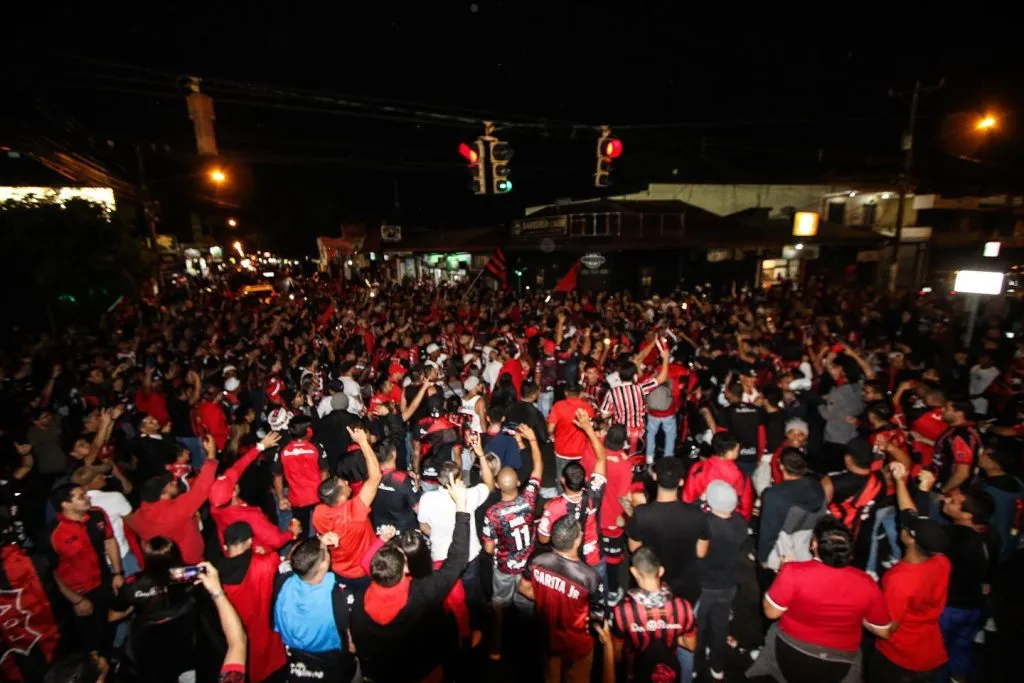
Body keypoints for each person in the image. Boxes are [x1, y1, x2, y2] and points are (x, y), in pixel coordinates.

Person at [350, 475, 471, 683]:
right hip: (422, 672)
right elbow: (457, 560)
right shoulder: (423, 592)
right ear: (405, 567)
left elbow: (356, 646)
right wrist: (461, 506)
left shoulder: (359, 603)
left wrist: (381, 540)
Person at [750, 518, 891, 683]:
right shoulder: (866, 583)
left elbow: (771, 612)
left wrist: (780, 574)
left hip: (791, 649)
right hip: (840, 661)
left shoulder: (793, 572)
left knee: (774, 630)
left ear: (814, 544)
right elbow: (883, 631)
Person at [869, 462, 952, 683]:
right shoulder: (941, 560)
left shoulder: (900, 580)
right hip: (929, 649)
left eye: (907, 528)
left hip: (901, 660)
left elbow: (887, 630)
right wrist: (900, 481)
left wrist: (859, 614)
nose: (903, 526)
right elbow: (911, 515)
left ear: (911, 539)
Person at [481, 422, 543, 659]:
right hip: (527, 565)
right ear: (518, 483)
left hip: (505, 567)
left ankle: (496, 649)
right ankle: (529, 648)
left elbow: (488, 548)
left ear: (497, 485)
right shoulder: (529, 499)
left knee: (499, 606)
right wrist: (532, 441)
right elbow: (538, 468)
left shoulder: (493, 513)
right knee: (527, 606)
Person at [519, 515, 605, 683]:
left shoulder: (537, 561)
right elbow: (597, 616)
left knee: (551, 675)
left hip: (548, 636)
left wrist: (549, 598)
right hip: (577, 644)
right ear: (577, 541)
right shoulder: (589, 577)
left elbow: (523, 588)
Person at [50, 484, 123, 653]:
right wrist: (76, 600)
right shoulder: (54, 533)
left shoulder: (97, 514)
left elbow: (109, 541)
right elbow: (53, 572)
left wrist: (117, 573)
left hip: (104, 581)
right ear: (65, 504)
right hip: (80, 592)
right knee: (90, 639)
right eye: (81, 496)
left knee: (109, 628)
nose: (88, 498)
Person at [272, 534, 356, 681]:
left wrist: (318, 544)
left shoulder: (282, 580)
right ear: (323, 565)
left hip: (294, 658)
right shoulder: (340, 597)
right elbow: (351, 644)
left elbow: (289, 561)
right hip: (330, 662)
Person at [417, 445, 494, 602]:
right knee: (471, 596)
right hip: (468, 556)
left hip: (441, 557)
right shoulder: (469, 495)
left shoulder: (426, 499)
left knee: (449, 600)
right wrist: (480, 455)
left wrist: (438, 532)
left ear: (439, 479)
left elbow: (423, 527)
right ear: (459, 479)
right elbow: (489, 484)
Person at [626, 456, 705, 609]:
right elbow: (701, 552)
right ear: (681, 482)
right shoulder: (696, 514)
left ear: (655, 477)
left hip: (653, 585)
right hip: (685, 587)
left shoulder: (642, 514)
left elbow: (634, 549)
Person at [538, 411, 608, 580]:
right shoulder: (594, 493)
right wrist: (588, 429)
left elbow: (543, 539)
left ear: (563, 481)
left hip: (568, 564)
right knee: (598, 591)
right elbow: (601, 459)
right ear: (586, 479)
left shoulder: (554, 507)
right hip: (594, 557)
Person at [128, 435, 218, 565]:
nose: (175, 482)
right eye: (170, 483)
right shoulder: (176, 510)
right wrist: (211, 456)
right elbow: (202, 488)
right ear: (162, 494)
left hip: (164, 564)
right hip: (190, 562)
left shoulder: (139, 516)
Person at [610, 547, 696, 683]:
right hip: (669, 672)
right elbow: (691, 645)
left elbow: (616, 653)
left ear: (634, 572)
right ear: (661, 571)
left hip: (638, 672)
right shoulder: (683, 607)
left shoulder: (622, 611)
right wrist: (669, 632)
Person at [312, 425, 382, 591]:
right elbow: (375, 477)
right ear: (340, 496)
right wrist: (363, 443)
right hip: (363, 570)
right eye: (343, 483)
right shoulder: (355, 511)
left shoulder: (318, 513)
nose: (346, 481)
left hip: (339, 570)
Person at [939, 484, 996, 683]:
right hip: (975, 606)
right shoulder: (990, 535)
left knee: (938, 655)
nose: (946, 500)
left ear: (967, 515)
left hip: (949, 608)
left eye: (953, 501)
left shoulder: (954, 538)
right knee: (962, 650)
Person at [217, 522, 287, 683]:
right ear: (249, 541)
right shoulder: (266, 562)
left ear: (225, 546)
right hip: (267, 639)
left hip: (236, 645)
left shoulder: (215, 576)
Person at [209, 432, 298, 553]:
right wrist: (291, 532)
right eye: (233, 482)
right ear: (234, 492)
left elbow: (237, 468)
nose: (235, 479)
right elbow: (276, 540)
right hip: (259, 555)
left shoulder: (216, 506)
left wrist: (260, 447)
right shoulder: (251, 516)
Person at [695, 480, 747, 681]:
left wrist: (700, 501)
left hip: (704, 585)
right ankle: (717, 666)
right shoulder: (740, 522)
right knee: (721, 624)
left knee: (697, 626)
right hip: (728, 584)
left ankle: (695, 664)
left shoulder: (705, 523)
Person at [821, 437, 884, 567]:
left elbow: (819, 509)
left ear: (848, 459)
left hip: (836, 541)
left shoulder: (832, 483)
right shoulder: (879, 479)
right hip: (862, 541)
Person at [72, 464, 138, 576]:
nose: (103, 476)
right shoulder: (114, 497)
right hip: (122, 556)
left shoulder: (74, 505)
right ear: (87, 485)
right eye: (98, 476)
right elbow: (133, 522)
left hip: (94, 564)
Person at [272, 415, 327, 535]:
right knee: (321, 530)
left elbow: (277, 477)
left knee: (301, 533)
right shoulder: (316, 446)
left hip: (296, 499)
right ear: (308, 430)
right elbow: (324, 473)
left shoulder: (282, 449)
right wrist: (325, 495)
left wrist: (281, 498)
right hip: (317, 497)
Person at [682, 432, 754, 521]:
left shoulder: (698, 467)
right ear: (729, 452)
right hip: (726, 519)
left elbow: (687, 498)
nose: (738, 452)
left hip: (700, 517)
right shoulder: (739, 474)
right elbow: (745, 504)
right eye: (737, 449)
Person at [546, 383, 596, 493]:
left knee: (562, 476)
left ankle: (562, 497)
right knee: (579, 477)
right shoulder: (587, 407)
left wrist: (551, 435)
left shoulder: (558, 406)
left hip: (562, 450)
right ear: (580, 393)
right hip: (581, 450)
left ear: (565, 393)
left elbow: (550, 428)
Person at [370, 436, 421, 534]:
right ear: (394, 454)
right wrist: (416, 485)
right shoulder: (402, 479)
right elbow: (419, 510)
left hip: (380, 532)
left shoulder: (370, 478)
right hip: (403, 533)